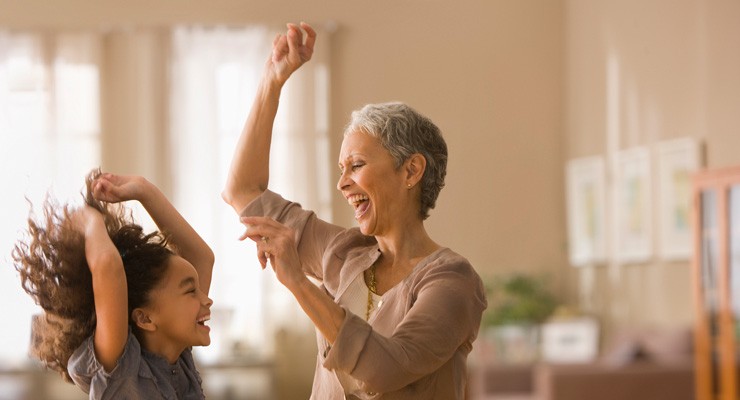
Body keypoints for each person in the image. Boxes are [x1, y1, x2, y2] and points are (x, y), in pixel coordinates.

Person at [221, 22, 487, 399]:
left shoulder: (453, 282)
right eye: (341, 169)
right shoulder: (344, 254)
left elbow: (383, 370)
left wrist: (298, 282)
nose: (342, 184)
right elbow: (243, 190)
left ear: (411, 170)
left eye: (357, 166)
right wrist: (272, 82)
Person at [12, 168, 214, 399]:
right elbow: (108, 267)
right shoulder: (121, 370)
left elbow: (202, 258)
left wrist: (143, 189)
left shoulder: (177, 357)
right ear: (145, 318)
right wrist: (90, 219)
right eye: (190, 291)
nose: (207, 299)